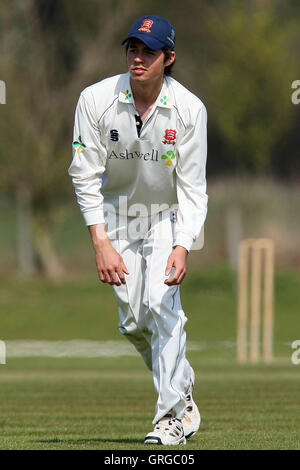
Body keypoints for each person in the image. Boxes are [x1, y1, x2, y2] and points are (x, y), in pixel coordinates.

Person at [68, 15, 208, 446]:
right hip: (117, 216)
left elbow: (193, 188)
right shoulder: (95, 100)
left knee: (161, 306)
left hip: (166, 215)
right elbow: (84, 174)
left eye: (149, 51)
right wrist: (100, 242)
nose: (138, 58)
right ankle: (182, 385)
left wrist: (183, 246)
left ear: (169, 58)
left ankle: (170, 419)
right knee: (132, 322)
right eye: (133, 48)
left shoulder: (189, 109)